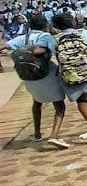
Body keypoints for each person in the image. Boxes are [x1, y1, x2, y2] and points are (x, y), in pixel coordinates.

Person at [0, 15, 68, 149]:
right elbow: (56, 52)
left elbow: (4, 46)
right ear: (45, 25)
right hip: (46, 75)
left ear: (30, 26)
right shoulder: (46, 37)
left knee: (37, 102)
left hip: (29, 77)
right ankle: (54, 136)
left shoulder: (22, 38)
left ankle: (37, 134)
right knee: (59, 105)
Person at [52, 13, 87, 143]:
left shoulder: (55, 39)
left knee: (81, 99)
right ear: (73, 22)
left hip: (70, 72)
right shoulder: (83, 33)